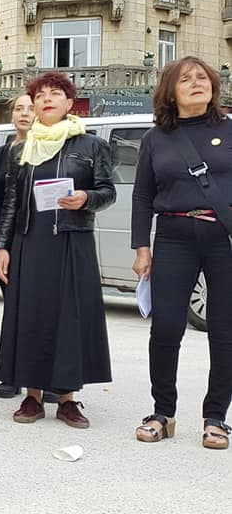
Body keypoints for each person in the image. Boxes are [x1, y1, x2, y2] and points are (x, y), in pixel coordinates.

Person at [0, 72, 114, 429]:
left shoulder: (90, 145)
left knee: (69, 317)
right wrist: (2, 245)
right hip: (30, 240)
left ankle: (67, 400)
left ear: (68, 102)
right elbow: (11, 202)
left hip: (72, 240)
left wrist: (86, 198)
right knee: (30, 315)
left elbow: (108, 192)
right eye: (40, 95)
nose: (47, 99)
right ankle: (32, 397)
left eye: (55, 93)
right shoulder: (23, 148)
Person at [131, 56, 232, 450]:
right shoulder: (156, 138)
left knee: (223, 331)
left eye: (203, 78)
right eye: (186, 79)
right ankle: (163, 412)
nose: (197, 83)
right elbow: (142, 195)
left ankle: (216, 417)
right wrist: (142, 247)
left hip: (223, 237)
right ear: (170, 91)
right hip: (173, 237)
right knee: (167, 327)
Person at [0, 93, 36, 400]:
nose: (25, 113)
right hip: (7, 239)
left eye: (30, 108)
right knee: (14, 308)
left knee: (43, 308)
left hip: (40, 235)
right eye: (19, 108)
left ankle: (44, 377)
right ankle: (12, 375)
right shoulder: (3, 152)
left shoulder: (50, 149)